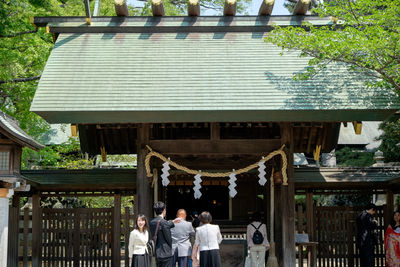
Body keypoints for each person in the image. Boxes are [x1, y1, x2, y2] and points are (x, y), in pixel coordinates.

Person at [149, 201, 175, 267]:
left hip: (157, 252)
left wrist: (172, 222)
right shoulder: (164, 222)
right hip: (166, 252)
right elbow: (168, 238)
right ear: (164, 210)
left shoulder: (151, 222)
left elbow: (163, 225)